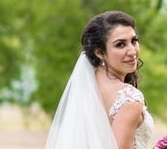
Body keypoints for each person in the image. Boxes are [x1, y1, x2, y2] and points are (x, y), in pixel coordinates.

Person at [44, 11, 154, 149]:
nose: (132, 51)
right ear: (99, 52)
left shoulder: (84, 88)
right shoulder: (129, 98)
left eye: (134, 41)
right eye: (120, 44)